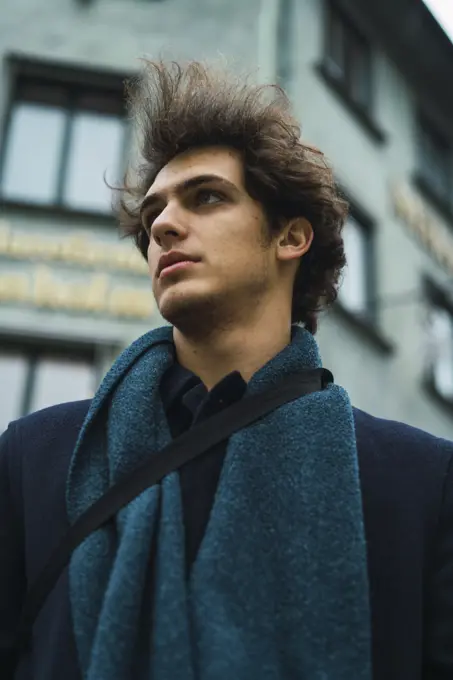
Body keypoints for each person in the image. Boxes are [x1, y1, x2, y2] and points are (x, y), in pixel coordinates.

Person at [0, 60, 452, 680]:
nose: (162, 224)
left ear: (290, 237)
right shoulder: (33, 460)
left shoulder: (423, 483)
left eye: (206, 196)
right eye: (154, 210)